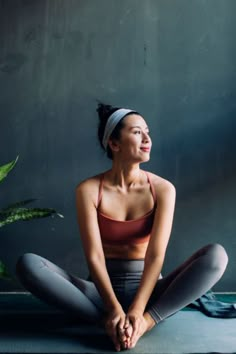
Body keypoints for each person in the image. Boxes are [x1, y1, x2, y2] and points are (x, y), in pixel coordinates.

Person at [16, 103, 228, 351]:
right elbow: (94, 257)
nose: (147, 138)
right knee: (28, 264)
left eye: (147, 131)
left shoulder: (163, 189)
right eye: (137, 132)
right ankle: (110, 322)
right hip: (98, 294)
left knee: (216, 256)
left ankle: (145, 324)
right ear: (114, 144)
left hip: (151, 294)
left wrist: (140, 313)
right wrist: (114, 310)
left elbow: (156, 255)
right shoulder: (88, 190)